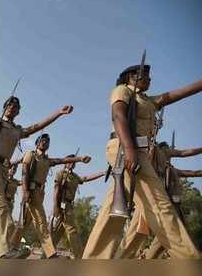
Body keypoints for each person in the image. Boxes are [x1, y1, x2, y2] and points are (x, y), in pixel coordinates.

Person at [82, 63, 202, 259]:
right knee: (160, 205)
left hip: (135, 151)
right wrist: (130, 149)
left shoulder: (147, 100)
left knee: (112, 212)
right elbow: (118, 115)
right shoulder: (123, 90)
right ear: (131, 76)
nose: (149, 78)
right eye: (144, 74)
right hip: (126, 148)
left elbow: (174, 95)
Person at [0, 96, 74, 259]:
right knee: (0, 204)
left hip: (3, 168)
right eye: (9, 105)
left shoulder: (17, 129)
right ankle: (4, 249)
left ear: (19, 111)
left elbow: (37, 127)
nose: (12, 108)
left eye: (16, 106)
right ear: (4, 107)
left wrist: (58, 113)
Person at [10, 134, 91, 259]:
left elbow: (61, 160)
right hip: (31, 191)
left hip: (39, 192)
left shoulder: (47, 160)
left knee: (24, 222)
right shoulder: (31, 155)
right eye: (42, 141)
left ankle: (11, 248)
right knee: (41, 221)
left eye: (47, 141)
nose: (45, 143)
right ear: (37, 143)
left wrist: (79, 159)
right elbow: (24, 173)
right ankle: (50, 253)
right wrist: (25, 191)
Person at [52, 157, 105, 258]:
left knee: (57, 233)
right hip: (61, 205)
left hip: (69, 206)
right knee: (72, 231)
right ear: (66, 163)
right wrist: (55, 206)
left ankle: (45, 255)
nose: (72, 163)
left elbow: (86, 178)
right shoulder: (61, 173)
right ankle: (79, 256)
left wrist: (102, 173)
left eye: (74, 162)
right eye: (70, 162)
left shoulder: (74, 176)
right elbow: (56, 190)